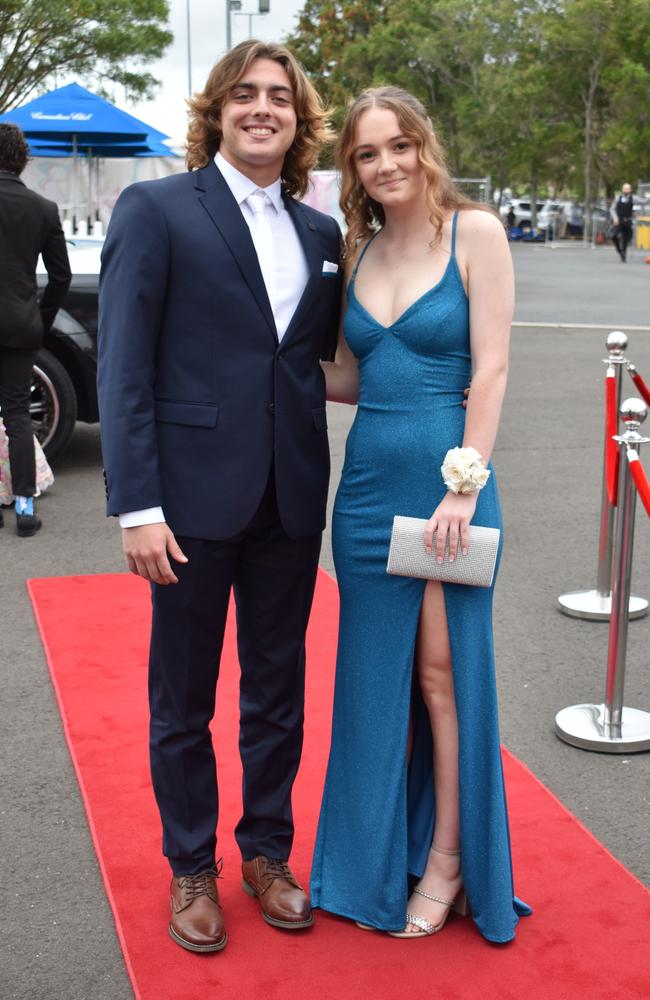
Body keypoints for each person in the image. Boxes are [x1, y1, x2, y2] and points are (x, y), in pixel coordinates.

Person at [97, 40, 342, 954]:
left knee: (279, 690)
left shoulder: (321, 233)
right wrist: (138, 505)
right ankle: (191, 866)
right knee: (184, 698)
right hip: (190, 505)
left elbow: (315, 362)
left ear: (298, 118)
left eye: (280, 96)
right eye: (246, 94)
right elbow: (124, 366)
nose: (263, 109)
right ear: (218, 110)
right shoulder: (158, 208)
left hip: (290, 497)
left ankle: (267, 853)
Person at [310, 87, 531, 943]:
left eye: (397, 145)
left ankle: (447, 862)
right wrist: (253, 355)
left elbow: (496, 367)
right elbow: (353, 378)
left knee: (441, 679)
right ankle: (368, 863)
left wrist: (464, 484)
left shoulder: (473, 232)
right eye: (367, 154)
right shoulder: (358, 253)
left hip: (450, 489)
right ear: (353, 170)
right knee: (375, 685)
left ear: (423, 147)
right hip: (365, 493)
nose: (386, 164)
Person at [0, 123, 70, 536]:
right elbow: (60, 276)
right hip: (21, 323)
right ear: (22, 161)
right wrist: (40, 319)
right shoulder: (43, 208)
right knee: (18, 415)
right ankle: (24, 506)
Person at [610, 183, 634, 262]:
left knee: (625, 239)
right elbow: (612, 209)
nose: (626, 190)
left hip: (628, 221)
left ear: (630, 190)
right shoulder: (618, 198)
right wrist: (615, 218)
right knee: (613, 235)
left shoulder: (633, 198)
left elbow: (643, 201)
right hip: (619, 220)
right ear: (622, 189)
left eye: (628, 189)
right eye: (625, 188)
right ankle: (619, 250)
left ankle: (623, 256)